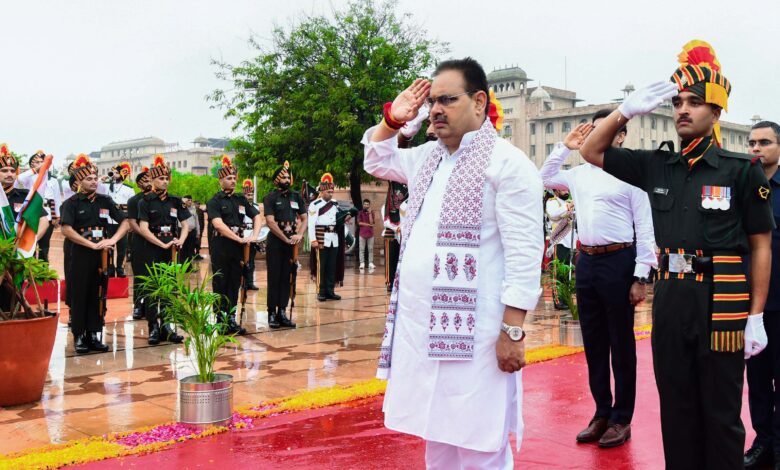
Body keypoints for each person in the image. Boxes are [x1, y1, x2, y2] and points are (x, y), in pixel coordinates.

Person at [580, 40, 775, 469]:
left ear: (716, 112)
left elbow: (761, 244)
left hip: (720, 304)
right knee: (677, 411)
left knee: (722, 417)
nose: (683, 110)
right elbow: (590, 151)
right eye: (677, 103)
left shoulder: (740, 170)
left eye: (694, 102)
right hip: (671, 301)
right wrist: (625, 110)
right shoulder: (656, 165)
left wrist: (756, 315)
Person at [363, 57, 543, 468]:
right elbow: (375, 159)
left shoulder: (508, 165)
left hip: (480, 337)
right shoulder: (428, 158)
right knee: (438, 438)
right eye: (432, 102)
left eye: (448, 99)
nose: (436, 110)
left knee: (480, 444)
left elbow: (524, 256)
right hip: (424, 332)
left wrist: (512, 332)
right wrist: (393, 120)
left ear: (479, 102)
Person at [541, 113, 657, 447]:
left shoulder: (632, 177)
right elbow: (544, 177)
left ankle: (622, 418)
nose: (597, 135)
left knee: (621, 344)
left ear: (620, 137)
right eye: (593, 129)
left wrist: (640, 276)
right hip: (587, 261)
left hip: (620, 261)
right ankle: (601, 412)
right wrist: (565, 147)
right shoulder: (578, 175)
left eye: (606, 130)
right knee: (593, 343)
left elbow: (645, 230)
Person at [60, 155, 129, 354]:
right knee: (79, 293)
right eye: (89, 179)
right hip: (79, 253)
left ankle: (94, 333)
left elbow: (125, 222)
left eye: (95, 178)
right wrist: (89, 244)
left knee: (98, 293)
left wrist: (113, 240)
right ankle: (79, 335)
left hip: (102, 255)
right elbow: (66, 229)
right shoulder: (72, 203)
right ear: (79, 182)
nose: (93, 181)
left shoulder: (105, 201)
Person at [744, 120, 780, 469]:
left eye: (764, 143)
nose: (755, 149)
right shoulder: (742, 188)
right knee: (756, 382)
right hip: (751, 304)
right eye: (751, 143)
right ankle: (763, 443)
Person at [206, 155, 262, 335]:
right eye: (228, 178)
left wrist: (254, 235)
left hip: (238, 247)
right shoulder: (214, 201)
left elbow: (256, 216)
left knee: (234, 282)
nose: (232, 181)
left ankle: (231, 318)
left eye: (234, 178)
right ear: (220, 180)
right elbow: (218, 224)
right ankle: (220, 319)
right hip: (221, 245)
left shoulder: (240, 199)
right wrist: (237, 239)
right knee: (220, 282)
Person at [136, 155, 188, 345]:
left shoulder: (175, 201)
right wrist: (161, 244)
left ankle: (167, 325)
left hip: (171, 249)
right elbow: (143, 228)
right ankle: (153, 327)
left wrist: (180, 240)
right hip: (152, 248)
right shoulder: (146, 201)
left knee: (171, 288)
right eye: (161, 178)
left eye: (167, 178)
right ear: (152, 180)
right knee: (153, 288)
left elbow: (185, 224)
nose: (164, 181)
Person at [263, 162, 306, 329]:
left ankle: (282, 311)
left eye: (289, 177)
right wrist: (284, 238)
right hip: (275, 241)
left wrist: (299, 234)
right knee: (274, 277)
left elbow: (304, 218)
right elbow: (270, 221)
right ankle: (272, 313)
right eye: (284, 177)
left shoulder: (296, 197)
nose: (287, 179)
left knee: (288, 278)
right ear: (277, 179)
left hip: (291, 243)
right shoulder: (270, 197)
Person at [17, 151, 61, 262]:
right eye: (37, 162)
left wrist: (57, 216)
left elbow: (57, 199)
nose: (42, 164)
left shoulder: (53, 180)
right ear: (31, 165)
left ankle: (43, 273)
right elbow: (19, 179)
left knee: (44, 247)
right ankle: (29, 273)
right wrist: (34, 170)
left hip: (48, 215)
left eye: (43, 161)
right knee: (29, 244)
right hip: (32, 215)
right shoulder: (29, 177)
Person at [308, 173, 344, 302]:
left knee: (331, 266)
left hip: (333, 238)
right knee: (321, 266)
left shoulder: (335, 203)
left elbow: (338, 220)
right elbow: (311, 223)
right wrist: (313, 240)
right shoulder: (315, 204)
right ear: (322, 191)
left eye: (332, 191)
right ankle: (321, 291)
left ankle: (330, 290)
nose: (331, 194)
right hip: (321, 237)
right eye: (329, 192)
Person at [97, 162, 134, 277]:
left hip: (122, 222)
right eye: (114, 172)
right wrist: (103, 178)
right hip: (108, 221)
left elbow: (131, 207)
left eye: (117, 173)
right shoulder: (106, 186)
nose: (114, 174)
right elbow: (96, 188)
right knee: (109, 246)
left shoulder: (129, 189)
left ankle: (120, 268)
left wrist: (131, 223)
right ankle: (110, 267)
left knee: (122, 246)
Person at [544, 188, 576, 309]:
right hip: (559, 241)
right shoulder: (552, 202)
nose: (566, 190)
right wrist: (569, 206)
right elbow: (554, 214)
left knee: (567, 272)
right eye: (562, 188)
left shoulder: (568, 202)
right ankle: (558, 300)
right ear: (556, 191)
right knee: (557, 273)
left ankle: (566, 298)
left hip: (570, 242)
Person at [127, 166, 150, 320]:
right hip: (140, 241)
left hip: (156, 243)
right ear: (139, 184)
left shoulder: (156, 199)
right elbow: (132, 222)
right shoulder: (134, 200)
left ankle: (150, 306)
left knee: (152, 274)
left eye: (150, 179)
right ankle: (138, 305)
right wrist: (146, 235)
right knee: (140, 274)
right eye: (145, 180)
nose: (149, 183)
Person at [382, 181, 408, 292]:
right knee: (391, 261)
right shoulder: (385, 207)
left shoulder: (406, 205)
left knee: (401, 260)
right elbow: (386, 221)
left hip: (403, 233)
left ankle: (401, 284)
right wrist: (397, 227)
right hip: (391, 234)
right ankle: (390, 283)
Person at [240, 180, 260, 290]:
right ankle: (242, 282)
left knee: (251, 260)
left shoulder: (255, 206)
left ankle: (250, 282)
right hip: (242, 234)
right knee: (242, 260)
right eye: (248, 194)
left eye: (252, 194)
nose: (250, 196)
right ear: (244, 195)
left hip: (252, 233)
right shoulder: (239, 205)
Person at [180, 195, 200, 265]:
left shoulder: (193, 209)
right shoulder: (181, 209)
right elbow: (178, 220)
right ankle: (183, 266)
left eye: (191, 200)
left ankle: (189, 266)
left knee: (191, 249)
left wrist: (198, 232)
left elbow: (196, 221)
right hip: (183, 232)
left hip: (192, 232)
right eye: (188, 200)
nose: (190, 202)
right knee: (183, 250)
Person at [357, 199, 376, 273]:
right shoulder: (360, 213)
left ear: (369, 205)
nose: (366, 205)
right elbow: (359, 223)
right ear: (363, 205)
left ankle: (370, 263)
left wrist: (370, 214)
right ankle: (362, 263)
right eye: (365, 204)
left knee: (370, 249)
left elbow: (372, 222)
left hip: (370, 234)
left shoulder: (372, 212)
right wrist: (368, 225)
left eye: (367, 204)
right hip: (362, 234)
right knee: (362, 249)